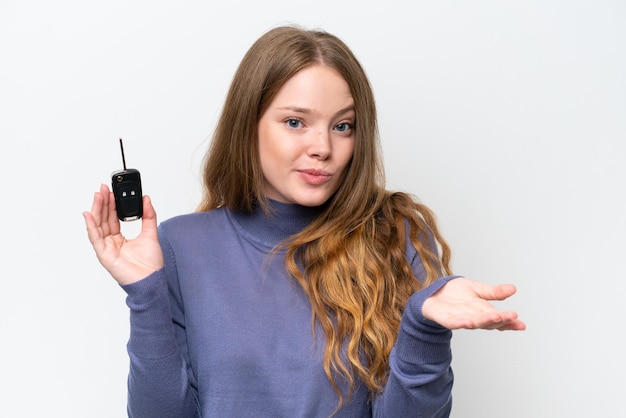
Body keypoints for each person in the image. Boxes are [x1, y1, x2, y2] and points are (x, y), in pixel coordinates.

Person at [83, 25, 525, 418]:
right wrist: (145, 296)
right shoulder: (181, 245)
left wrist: (423, 331)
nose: (323, 147)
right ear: (248, 124)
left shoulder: (394, 233)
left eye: (343, 126)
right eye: (296, 122)